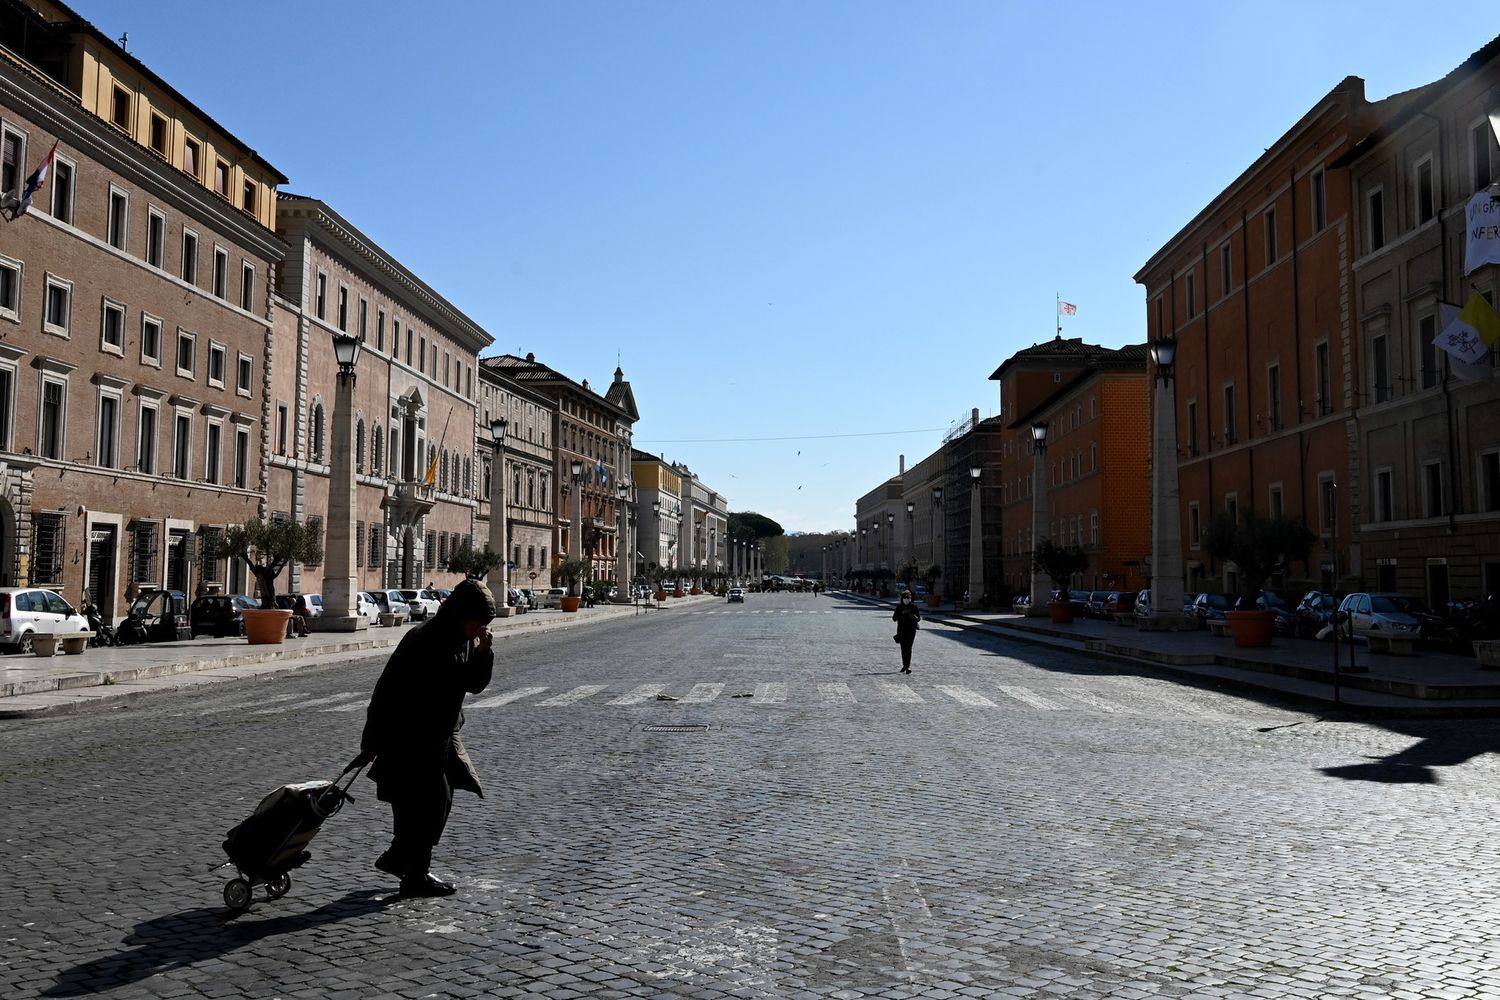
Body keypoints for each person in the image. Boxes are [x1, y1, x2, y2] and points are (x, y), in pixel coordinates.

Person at [354, 578, 495, 897]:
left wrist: (484, 652)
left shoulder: (464, 638)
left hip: (441, 735)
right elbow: (385, 691)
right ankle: (409, 869)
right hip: (409, 736)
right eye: (477, 622)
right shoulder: (425, 639)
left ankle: (406, 866)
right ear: (462, 614)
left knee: (425, 805)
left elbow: (471, 683)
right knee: (426, 803)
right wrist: (371, 740)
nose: (479, 628)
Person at [892, 590, 921, 674]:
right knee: (903, 648)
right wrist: (902, 613)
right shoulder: (899, 607)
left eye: (909, 597)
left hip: (911, 630)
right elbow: (894, 618)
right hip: (901, 630)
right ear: (902, 598)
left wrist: (914, 617)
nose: (907, 599)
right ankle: (905, 665)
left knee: (909, 648)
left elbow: (918, 619)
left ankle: (907, 666)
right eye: (906, 597)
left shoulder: (914, 607)